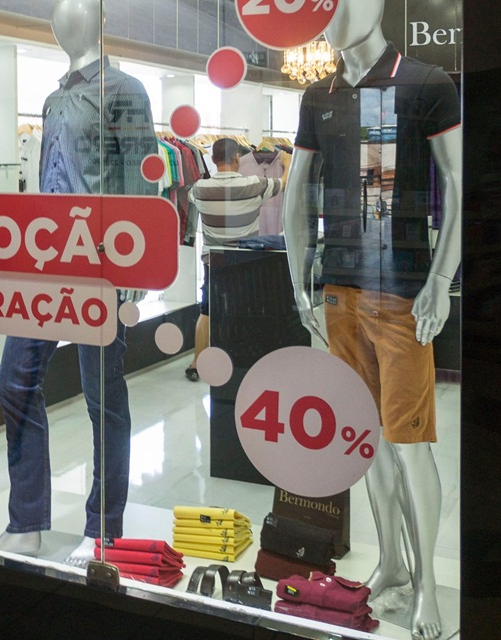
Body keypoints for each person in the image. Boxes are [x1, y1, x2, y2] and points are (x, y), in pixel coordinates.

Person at [282, 0, 461, 637]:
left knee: (409, 443)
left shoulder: (425, 83)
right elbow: (297, 192)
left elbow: (459, 184)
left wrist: (440, 280)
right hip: (340, 291)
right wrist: (299, 275)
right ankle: (391, 562)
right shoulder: (320, 95)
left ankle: (428, 584)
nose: (332, 14)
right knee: (369, 440)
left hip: (402, 292)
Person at [0, 0, 158, 567]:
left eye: (80, 10)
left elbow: (143, 177)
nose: (68, 19)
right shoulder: (52, 99)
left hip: (100, 266)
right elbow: (47, 185)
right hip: (47, 265)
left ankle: (103, 526)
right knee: (14, 382)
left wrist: (133, 270)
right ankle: (26, 520)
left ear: (99, 20)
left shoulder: (126, 90)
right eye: (60, 12)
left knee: (102, 396)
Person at [185, 138, 287, 381]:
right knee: (246, 310)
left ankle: (196, 363)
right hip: (244, 261)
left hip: (214, 260)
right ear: (238, 158)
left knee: (207, 310)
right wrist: (288, 161)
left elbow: (190, 198)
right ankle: (244, 362)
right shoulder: (254, 185)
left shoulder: (200, 189)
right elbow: (283, 183)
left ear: (213, 159)